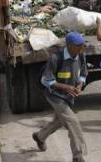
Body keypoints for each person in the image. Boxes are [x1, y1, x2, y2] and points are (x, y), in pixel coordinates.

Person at [32, 32, 88, 162]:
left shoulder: (80, 55)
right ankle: (78, 157)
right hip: (55, 96)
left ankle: (40, 137)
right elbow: (45, 81)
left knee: (60, 121)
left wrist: (79, 85)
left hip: (68, 96)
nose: (80, 48)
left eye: (81, 45)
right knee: (72, 122)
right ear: (68, 45)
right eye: (77, 46)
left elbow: (83, 73)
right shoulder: (55, 58)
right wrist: (67, 87)